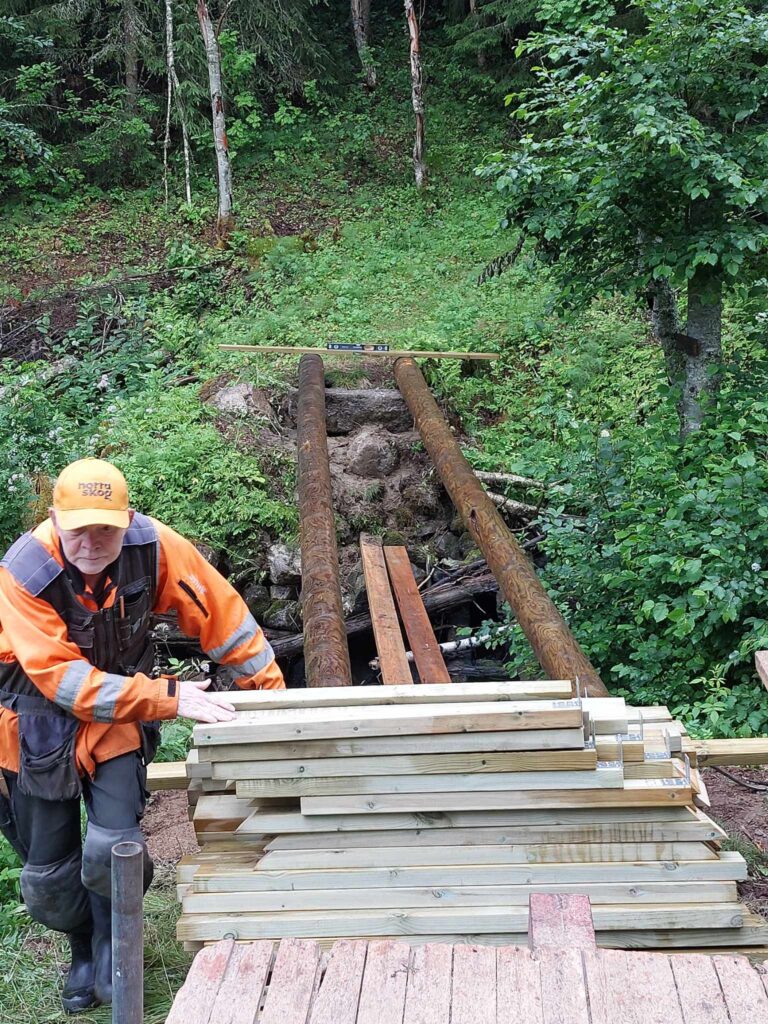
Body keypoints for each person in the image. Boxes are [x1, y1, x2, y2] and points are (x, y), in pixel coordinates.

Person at [0, 458, 284, 1012]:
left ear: (125, 518)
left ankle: (111, 942)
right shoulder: (24, 572)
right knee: (46, 880)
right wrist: (167, 696)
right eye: (77, 528)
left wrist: (269, 696)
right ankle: (81, 945)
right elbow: (62, 680)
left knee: (114, 848)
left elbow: (222, 614)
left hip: (116, 722)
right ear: (54, 518)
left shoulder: (154, 547)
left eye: (104, 527)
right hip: (31, 725)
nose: (91, 542)